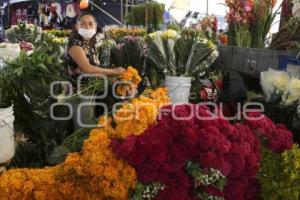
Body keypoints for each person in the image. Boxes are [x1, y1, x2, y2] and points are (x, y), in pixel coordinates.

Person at [66, 12, 125, 129]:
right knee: (83, 128)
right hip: (80, 92)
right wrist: (113, 72)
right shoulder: (74, 43)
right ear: (77, 26)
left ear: (95, 26)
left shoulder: (89, 44)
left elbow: (90, 68)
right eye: (83, 24)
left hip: (91, 91)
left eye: (90, 24)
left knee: (90, 126)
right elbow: (87, 68)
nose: (87, 27)